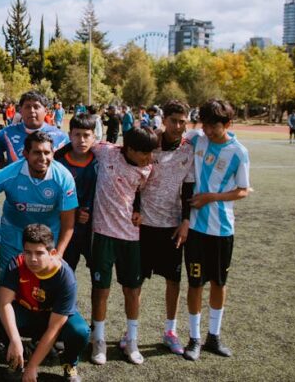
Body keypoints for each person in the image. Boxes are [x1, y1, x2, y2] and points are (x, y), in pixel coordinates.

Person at [181, 99, 250, 361]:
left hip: (222, 229)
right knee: (195, 282)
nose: (208, 131)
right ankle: (194, 338)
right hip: (196, 228)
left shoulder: (239, 152)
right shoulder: (196, 139)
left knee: (219, 283)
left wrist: (210, 197)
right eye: (205, 125)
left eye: (214, 127)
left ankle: (214, 336)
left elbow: (243, 190)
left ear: (228, 124)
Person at [88, 126, 157, 365]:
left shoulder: (147, 169)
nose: (149, 158)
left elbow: (143, 194)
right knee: (101, 290)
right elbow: (83, 143)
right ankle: (98, 340)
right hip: (103, 234)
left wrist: (138, 210)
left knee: (132, 290)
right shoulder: (106, 152)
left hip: (131, 236)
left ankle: (132, 340)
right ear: (129, 149)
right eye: (144, 153)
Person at [0, 224, 90, 382]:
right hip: (28, 314)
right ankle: (17, 359)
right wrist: (15, 340)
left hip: (52, 318)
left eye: (39, 253)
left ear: (52, 253)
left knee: (80, 331)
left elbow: (54, 327)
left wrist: (32, 367)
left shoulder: (65, 277)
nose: (33, 259)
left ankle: (69, 362)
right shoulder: (16, 264)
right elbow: (4, 303)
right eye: (28, 252)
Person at [0, 130, 78, 287]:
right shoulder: (11, 173)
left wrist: (57, 254)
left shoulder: (63, 178)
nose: (42, 158)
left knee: (43, 290)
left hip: (46, 244)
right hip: (13, 240)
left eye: (47, 152)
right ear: (25, 153)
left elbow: (68, 224)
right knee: (8, 285)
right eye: (36, 152)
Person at [138, 100, 195, 357]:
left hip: (172, 227)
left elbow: (188, 190)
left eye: (183, 121)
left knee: (173, 281)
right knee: (135, 282)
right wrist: (135, 210)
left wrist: (185, 221)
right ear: (164, 120)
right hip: (144, 226)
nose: (178, 126)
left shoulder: (188, 150)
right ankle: (132, 332)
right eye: (174, 120)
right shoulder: (150, 144)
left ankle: (170, 331)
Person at [54, 113, 98, 272]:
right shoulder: (58, 163)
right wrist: (74, 212)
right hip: (65, 228)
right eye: (77, 135)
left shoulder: (101, 160)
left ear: (94, 136)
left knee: (99, 278)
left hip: (94, 231)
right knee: (63, 271)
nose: (82, 140)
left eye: (87, 135)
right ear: (69, 135)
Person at [0, 91, 69, 166]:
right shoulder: (7, 133)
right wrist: (6, 169)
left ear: (46, 111)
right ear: (20, 110)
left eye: (36, 107)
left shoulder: (61, 136)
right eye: (27, 107)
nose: (32, 110)